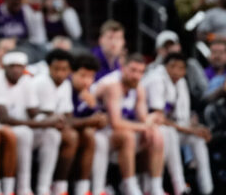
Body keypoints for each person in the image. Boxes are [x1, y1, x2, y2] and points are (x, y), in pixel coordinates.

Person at [0, 52, 63, 195]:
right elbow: (4, 118)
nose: (16, 70)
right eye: (12, 66)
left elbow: (33, 112)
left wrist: (53, 117)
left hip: (17, 127)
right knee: (24, 133)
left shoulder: (26, 81)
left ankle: (43, 188)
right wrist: (46, 123)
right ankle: (14, 189)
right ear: (4, 67)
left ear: (24, 68)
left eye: (20, 66)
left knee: (52, 134)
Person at [92, 54, 163, 195]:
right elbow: (116, 123)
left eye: (140, 72)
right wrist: (145, 126)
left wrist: (152, 119)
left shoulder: (138, 87)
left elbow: (143, 118)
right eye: (133, 70)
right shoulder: (112, 85)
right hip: (97, 130)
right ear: (123, 68)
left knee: (157, 135)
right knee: (128, 136)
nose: (136, 75)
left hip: (114, 130)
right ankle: (129, 185)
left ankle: (155, 187)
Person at [143, 52, 212, 195]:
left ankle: (207, 189)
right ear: (165, 66)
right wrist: (190, 130)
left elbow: (182, 118)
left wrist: (197, 128)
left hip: (170, 128)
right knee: (171, 134)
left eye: (181, 68)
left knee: (198, 138)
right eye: (172, 66)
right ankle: (179, 188)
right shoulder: (156, 79)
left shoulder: (181, 82)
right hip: (150, 128)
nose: (176, 71)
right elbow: (158, 117)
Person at [27, 50, 76, 195]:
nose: (60, 73)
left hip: (49, 128)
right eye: (56, 69)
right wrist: (59, 120)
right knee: (57, 135)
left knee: (70, 136)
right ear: (49, 68)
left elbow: (67, 115)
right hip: (31, 128)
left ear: (69, 70)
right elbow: (39, 113)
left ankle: (58, 187)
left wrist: (61, 121)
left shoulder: (66, 85)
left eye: (64, 69)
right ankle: (42, 188)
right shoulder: (41, 82)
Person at [64, 54, 109, 195]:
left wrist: (94, 110)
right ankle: (60, 187)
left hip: (78, 132)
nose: (86, 81)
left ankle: (88, 188)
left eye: (91, 77)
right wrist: (91, 120)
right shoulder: (65, 87)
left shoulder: (88, 93)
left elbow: (99, 121)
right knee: (81, 135)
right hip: (58, 131)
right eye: (82, 76)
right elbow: (66, 121)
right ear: (72, 73)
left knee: (97, 138)